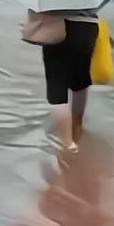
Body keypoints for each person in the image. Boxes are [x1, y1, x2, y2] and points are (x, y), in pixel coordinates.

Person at [38, 10, 99, 152]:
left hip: (56, 27)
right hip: (87, 28)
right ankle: (77, 126)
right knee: (80, 81)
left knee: (57, 88)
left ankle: (68, 144)